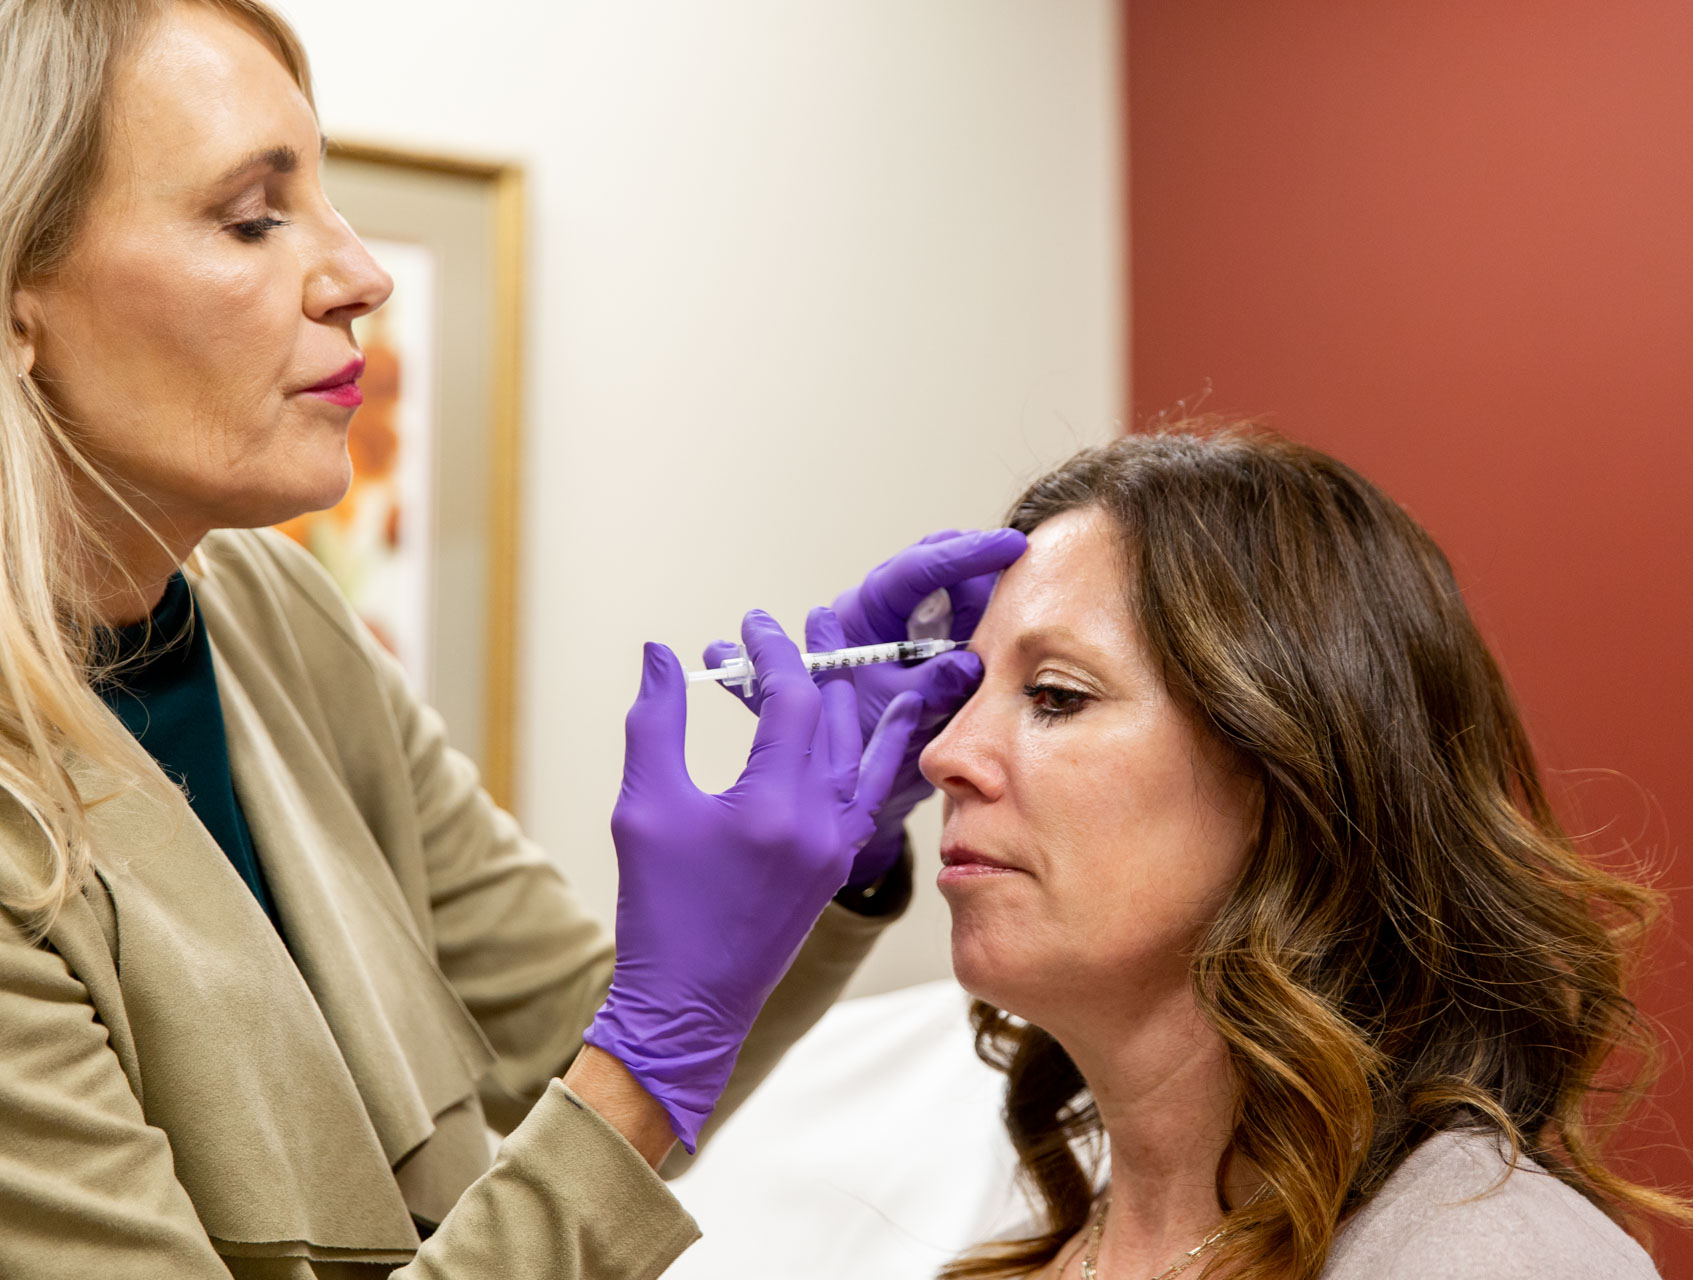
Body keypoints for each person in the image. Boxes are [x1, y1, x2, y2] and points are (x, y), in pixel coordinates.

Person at [0, 1, 1023, 1275]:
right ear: (18, 303)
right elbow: (623, 1080)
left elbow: (574, 1057)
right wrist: (647, 1056)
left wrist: (826, 868)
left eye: (328, 198)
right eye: (253, 218)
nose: (360, 274)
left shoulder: (282, 618)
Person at [921, 430, 1693, 1279]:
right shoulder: (997, 1253)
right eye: (965, 694)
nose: (944, 755)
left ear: (1284, 766)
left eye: (1055, 696)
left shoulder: (1486, 1257)